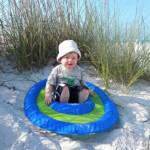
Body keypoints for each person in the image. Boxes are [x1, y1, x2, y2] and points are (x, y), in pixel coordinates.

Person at [45, 40, 90, 105]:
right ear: (61, 59)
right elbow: (50, 83)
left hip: (75, 93)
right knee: (64, 88)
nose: (70, 60)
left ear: (77, 59)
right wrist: (48, 93)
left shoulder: (80, 71)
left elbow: (83, 83)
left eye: (74, 58)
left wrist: (87, 90)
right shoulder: (57, 70)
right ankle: (64, 106)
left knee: (85, 90)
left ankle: (79, 105)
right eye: (67, 57)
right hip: (62, 92)